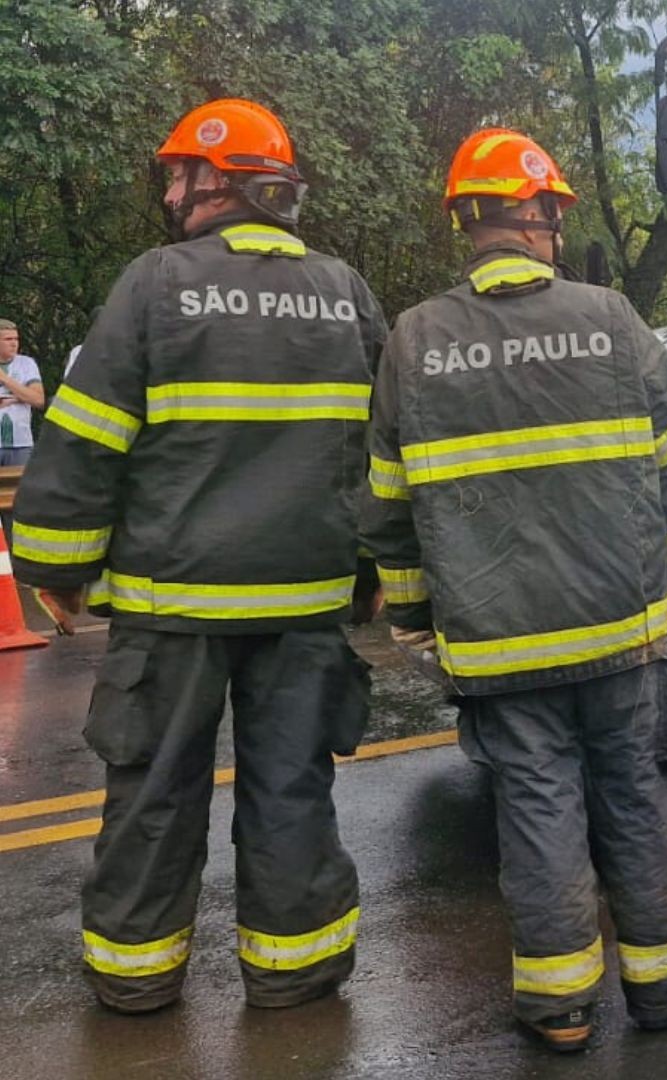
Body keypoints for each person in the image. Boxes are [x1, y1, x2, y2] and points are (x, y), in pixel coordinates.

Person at [10, 98, 386, 1013]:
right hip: (304, 607)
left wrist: (53, 575)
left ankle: (136, 984)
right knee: (293, 790)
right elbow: (382, 455)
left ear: (217, 179)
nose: (171, 190)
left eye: (179, 173)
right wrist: (372, 578)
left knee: (153, 795)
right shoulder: (346, 292)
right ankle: (296, 970)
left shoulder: (155, 285)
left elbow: (86, 440)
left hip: (172, 607)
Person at [359, 128, 667, 1051]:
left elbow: (394, 505)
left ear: (467, 222)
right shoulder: (612, 320)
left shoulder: (415, 340)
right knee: (637, 797)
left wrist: (410, 616)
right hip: (619, 630)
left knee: (535, 809)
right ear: (547, 217)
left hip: (498, 642)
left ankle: (559, 1010)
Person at [0, 318, 46, 466]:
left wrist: (5, 379)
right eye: (8, 339)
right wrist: (20, 396)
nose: (14, 343)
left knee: (19, 488)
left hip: (21, 444)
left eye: (16, 339)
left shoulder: (26, 364)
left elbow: (38, 400)